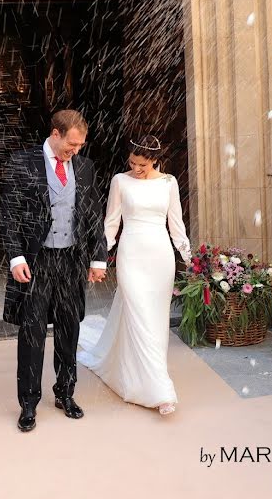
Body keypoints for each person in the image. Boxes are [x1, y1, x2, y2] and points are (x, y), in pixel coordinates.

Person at [0, 109, 107, 432]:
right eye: (71, 144)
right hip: (37, 260)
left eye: (80, 146)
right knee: (32, 333)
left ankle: (65, 392)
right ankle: (29, 403)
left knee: (68, 329)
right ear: (55, 134)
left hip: (72, 259)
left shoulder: (85, 167)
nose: (75, 151)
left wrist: (98, 258)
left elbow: (93, 214)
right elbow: (8, 213)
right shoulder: (23, 162)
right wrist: (16, 257)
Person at [77, 136, 191, 415]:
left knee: (155, 318)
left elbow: (176, 225)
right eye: (132, 163)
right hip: (131, 255)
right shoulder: (120, 181)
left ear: (154, 159)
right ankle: (160, 391)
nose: (136, 168)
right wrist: (100, 260)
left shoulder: (169, 183)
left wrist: (191, 259)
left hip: (160, 257)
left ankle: (148, 374)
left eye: (142, 164)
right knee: (138, 312)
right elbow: (111, 222)